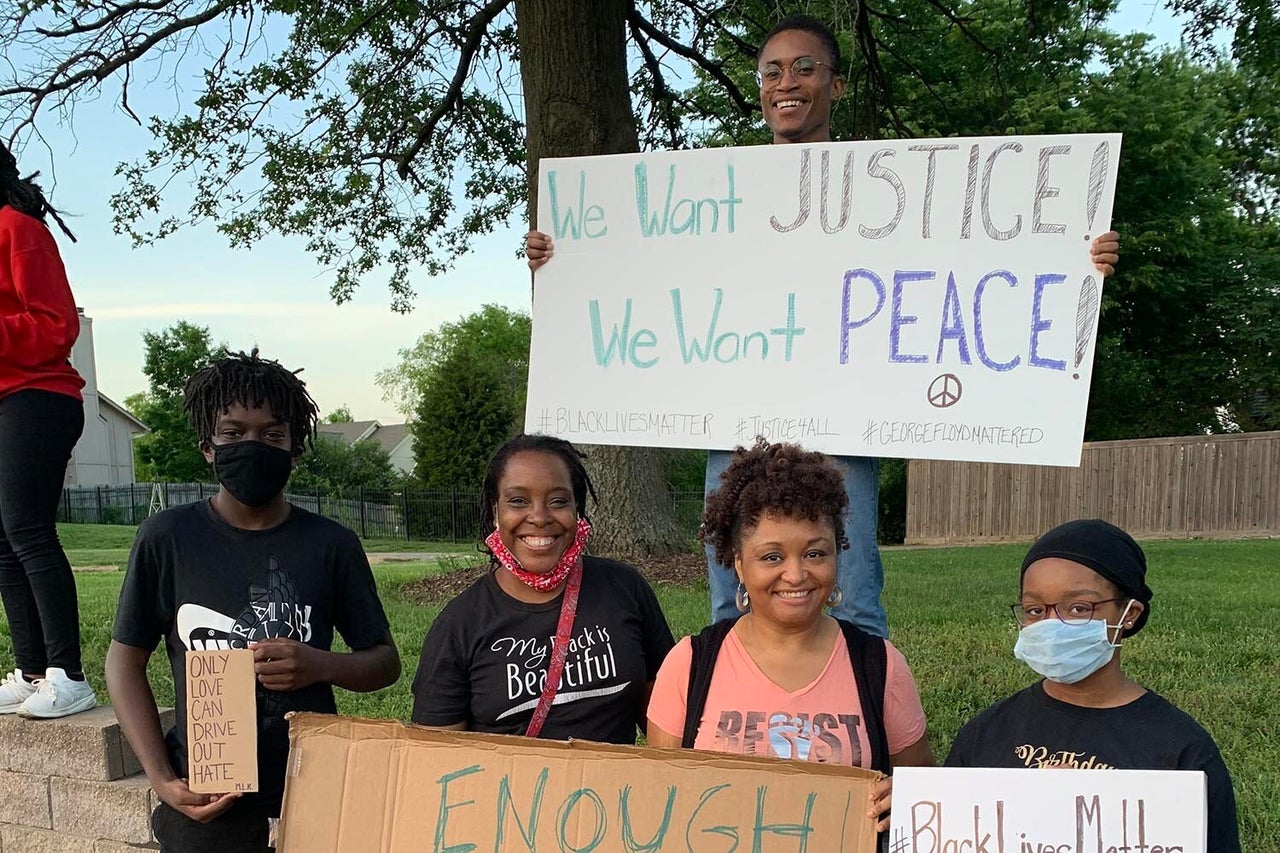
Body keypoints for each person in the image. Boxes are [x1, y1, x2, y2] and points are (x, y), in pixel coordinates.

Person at [525, 15, 1123, 638]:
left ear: (835, 86)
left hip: (842, 422)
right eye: (773, 70)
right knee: (731, 593)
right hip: (732, 422)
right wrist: (565, 259)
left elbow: (972, 261)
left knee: (853, 592)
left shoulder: (892, 190)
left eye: (806, 67)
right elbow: (643, 268)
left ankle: (867, 728)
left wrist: (1072, 256)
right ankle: (734, 726)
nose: (787, 82)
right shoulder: (716, 198)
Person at [105, 350, 401, 853]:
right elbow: (123, 662)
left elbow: (384, 663)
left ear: (295, 449)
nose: (253, 445)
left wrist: (319, 664)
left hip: (314, 782)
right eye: (234, 432)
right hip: (208, 789)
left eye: (272, 435)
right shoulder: (168, 538)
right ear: (208, 447)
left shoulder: (331, 544)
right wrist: (160, 776)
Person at [646, 439, 933, 834]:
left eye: (815, 554)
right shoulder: (690, 665)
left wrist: (905, 799)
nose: (796, 575)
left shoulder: (880, 665)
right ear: (738, 564)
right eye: (772, 557)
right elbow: (658, 802)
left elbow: (926, 794)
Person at [945, 519, 1241, 851]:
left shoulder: (1181, 751)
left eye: (1078, 608)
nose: (1052, 624)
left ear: (1129, 613)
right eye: (1035, 609)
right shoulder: (985, 734)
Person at [411, 433, 674, 744]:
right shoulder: (458, 625)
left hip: (617, 792)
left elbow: (666, 712)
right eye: (518, 501)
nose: (539, 517)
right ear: (495, 510)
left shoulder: (624, 588)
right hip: (510, 792)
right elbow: (435, 759)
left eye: (558, 501)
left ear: (577, 509)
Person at [0, 140, 96, 719]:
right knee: (1, 542)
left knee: (27, 530)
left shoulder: (17, 227)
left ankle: (70, 675)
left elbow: (56, 324)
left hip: (39, 397)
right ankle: (34, 673)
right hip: (5, 399)